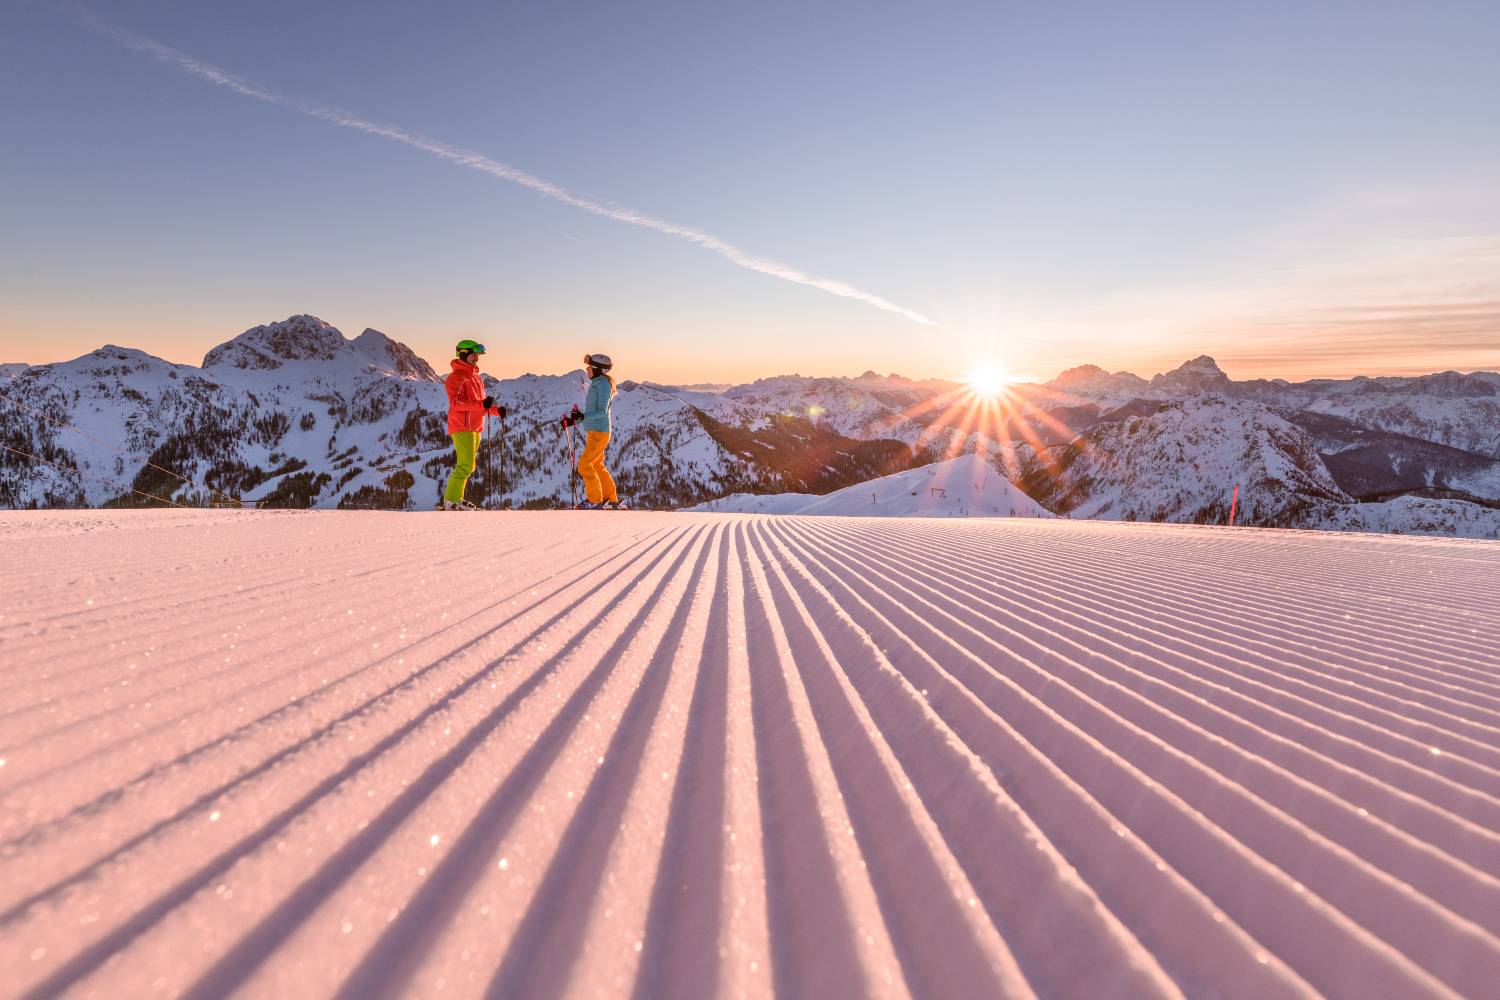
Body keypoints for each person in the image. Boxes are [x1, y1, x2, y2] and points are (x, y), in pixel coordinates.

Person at [440, 339, 507, 511]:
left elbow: (480, 404)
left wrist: (495, 411)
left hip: (475, 427)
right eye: (474, 353)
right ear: (463, 354)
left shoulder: (476, 378)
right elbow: (456, 404)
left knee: (468, 465)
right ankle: (451, 502)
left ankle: (455, 499)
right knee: (466, 465)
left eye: (478, 354)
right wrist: (481, 405)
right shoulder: (455, 378)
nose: (477, 357)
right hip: (462, 426)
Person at [561, 352, 624, 509]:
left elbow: (601, 412)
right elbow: (594, 413)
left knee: (584, 465)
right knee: (596, 465)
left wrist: (582, 416)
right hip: (594, 432)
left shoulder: (602, 385)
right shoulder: (598, 383)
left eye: (589, 367)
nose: (587, 369)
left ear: (597, 368)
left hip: (599, 432)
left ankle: (595, 500)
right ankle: (611, 499)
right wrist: (574, 420)